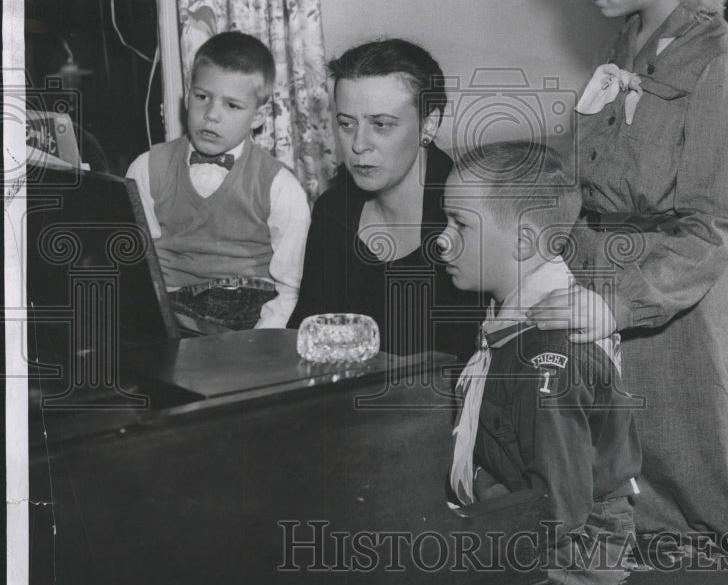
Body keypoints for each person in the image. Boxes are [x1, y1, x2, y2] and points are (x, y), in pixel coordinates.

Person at [526, 0, 728, 542]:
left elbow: (712, 228)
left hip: (671, 314)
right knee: (613, 490)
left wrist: (617, 305)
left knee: (695, 500)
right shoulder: (624, 41)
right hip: (597, 285)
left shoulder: (719, 55)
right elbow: (591, 181)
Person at [441, 141, 641, 585]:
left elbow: (558, 510)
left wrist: (466, 545)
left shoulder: (545, 352)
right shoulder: (517, 317)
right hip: (533, 524)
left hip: (573, 559)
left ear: (524, 241)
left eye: (460, 224)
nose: (442, 241)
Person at [288, 38, 481, 360]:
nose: (359, 145)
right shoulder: (332, 212)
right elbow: (307, 336)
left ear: (428, 124)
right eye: (347, 124)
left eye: (381, 125)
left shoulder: (469, 218)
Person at [127, 31, 310, 328]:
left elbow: (291, 287)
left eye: (232, 105)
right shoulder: (147, 168)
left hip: (248, 305)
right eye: (202, 97)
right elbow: (137, 266)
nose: (211, 115)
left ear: (259, 116)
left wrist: (262, 342)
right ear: (187, 97)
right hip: (175, 308)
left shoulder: (280, 186)